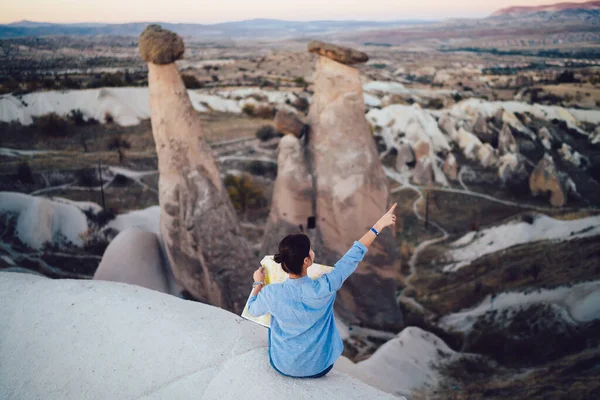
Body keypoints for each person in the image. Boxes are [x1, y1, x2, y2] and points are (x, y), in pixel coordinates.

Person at [247, 203, 397, 378]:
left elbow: (252, 309)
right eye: (310, 250)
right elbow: (353, 256)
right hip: (319, 367)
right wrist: (378, 226)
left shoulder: (271, 293)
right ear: (306, 261)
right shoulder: (327, 285)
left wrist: (258, 283)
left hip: (283, 365)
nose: (312, 251)